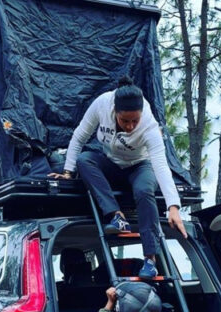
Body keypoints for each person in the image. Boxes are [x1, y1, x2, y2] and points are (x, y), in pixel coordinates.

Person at [49, 77, 188, 279]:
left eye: (135, 121)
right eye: (125, 121)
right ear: (114, 110)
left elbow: (161, 165)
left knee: (143, 191)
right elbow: (80, 136)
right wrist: (68, 172)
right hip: (112, 164)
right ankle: (116, 216)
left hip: (140, 166)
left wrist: (173, 206)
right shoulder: (102, 104)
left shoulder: (149, 126)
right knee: (85, 160)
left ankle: (150, 259)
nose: (130, 126)